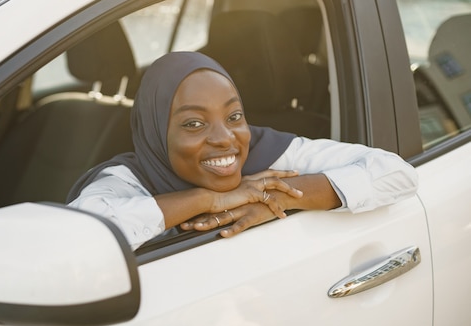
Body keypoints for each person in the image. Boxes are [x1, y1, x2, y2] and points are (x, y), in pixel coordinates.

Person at [67, 51, 418, 250]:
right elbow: (77, 242)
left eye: (234, 116)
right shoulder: (126, 180)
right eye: (194, 124)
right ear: (156, 132)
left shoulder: (270, 155)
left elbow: (396, 174)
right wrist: (211, 199)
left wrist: (279, 198)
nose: (225, 138)